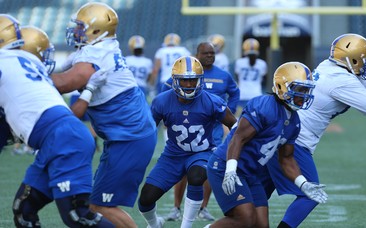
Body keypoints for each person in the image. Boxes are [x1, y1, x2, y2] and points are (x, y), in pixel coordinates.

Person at [49, 3, 157, 227]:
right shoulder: (102, 46)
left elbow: (65, 83)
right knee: (95, 204)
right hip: (124, 136)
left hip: (130, 138)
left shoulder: (96, 52)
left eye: (81, 27)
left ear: (97, 30)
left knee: (102, 206)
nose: (76, 31)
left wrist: (30, 77)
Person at [0, 16, 114, 227]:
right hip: (58, 138)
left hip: (63, 138)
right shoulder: (29, 60)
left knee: (77, 215)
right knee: (24, 211)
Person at [261, 33, 366, 228]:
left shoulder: (330, 67)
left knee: (258, 195)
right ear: (351, 59)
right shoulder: (341, 81)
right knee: (310, 195)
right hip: (296, 141)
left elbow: (363, 87)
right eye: (363, 60)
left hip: (277, 135)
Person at [206, 61, 328, 228]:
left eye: (306, 90)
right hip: (225, 166)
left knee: (261, 225)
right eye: (300, 89)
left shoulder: (294, 122)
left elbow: (286, 159)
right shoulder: (264, 106)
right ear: (281, 86)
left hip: (250, 173)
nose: (304, 95)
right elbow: (238, 139)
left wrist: (303, 183)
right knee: (245, 219)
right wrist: (230, 170)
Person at [138, 56, 237, 228]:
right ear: (175, 80)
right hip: (173, 154)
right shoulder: (161, 101)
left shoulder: (212, 101)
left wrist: (226, 152)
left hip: (203, 152)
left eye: (193, 80)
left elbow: (235, 126)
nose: (189, 85)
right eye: (184, 81)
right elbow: (148, 129)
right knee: (146, 198)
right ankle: (155, 224)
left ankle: (186, 226)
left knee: (196, 176)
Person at [163, 42, 240, 221]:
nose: (209, 56)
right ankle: (176, 207)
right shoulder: (187, 72)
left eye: (212, 53)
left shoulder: (223, 75)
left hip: (212, 130)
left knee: (209, 168)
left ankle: (203, 207)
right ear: (197, 54)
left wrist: (230, 109)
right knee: (182, 168)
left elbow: (234, 92)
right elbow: (166, 88)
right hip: (187, 128)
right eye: (205, 53)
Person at [235, 38, 268, 110]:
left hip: (242, 94)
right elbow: (264, 79)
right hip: (256, 94)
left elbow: (237, 78)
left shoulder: (239, 62)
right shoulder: (262, 63)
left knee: (240, 119)